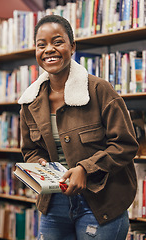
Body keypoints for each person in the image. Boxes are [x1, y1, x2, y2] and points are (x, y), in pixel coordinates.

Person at [18, 15, 139, 240]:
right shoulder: (29, 101)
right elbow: (31, 150)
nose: (49, 50)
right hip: (54, 203)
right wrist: (39, 164)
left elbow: (125, 144)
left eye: (57, 42)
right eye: (41, 45)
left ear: (72, 46)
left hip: (100, 203)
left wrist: (86, 169)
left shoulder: (100, 90)